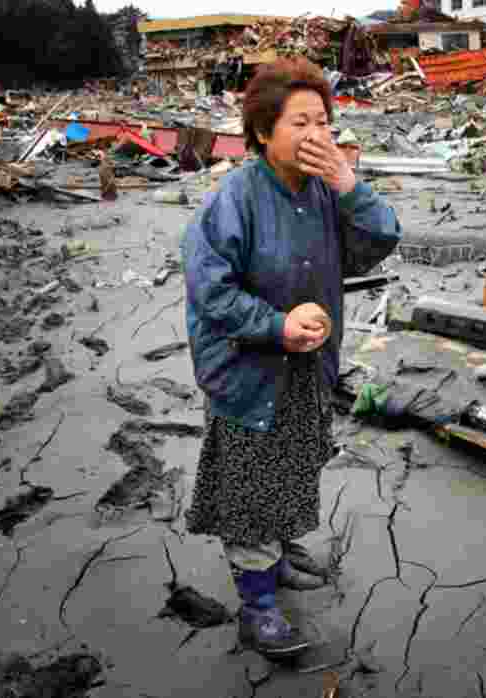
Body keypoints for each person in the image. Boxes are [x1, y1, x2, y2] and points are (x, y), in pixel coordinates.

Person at [182, 57, 402, 659]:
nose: (317, 135)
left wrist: (350, 185)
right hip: (247, 368)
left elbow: (380, 241)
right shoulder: (235, 199)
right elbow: (211, 292)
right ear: (260, 131)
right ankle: (256, 607)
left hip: (310, 362)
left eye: (324, 122)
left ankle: (276, 559)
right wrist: (276, 326)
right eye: (300, 122)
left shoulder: (325, 195)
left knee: (298, 457)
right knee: (250, 483)